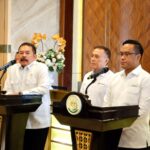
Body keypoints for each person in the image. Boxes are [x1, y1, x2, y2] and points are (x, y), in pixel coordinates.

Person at [103, 39, 150, 150]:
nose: (122, 57)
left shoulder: (146, 79)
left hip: (135, 141)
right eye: (121, 54)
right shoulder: (114, 78)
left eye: (127, 54)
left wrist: (116, 125)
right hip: (112, 139)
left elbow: (142, 111)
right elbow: (106, 105)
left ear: (138, 57)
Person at [4, 42, 51, 150]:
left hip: (37, 120)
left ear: (34, 56)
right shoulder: (12, 69)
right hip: (17, 121)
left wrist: (22, 93)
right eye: (21, 53)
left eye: (27, 53)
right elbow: (7, 90)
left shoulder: (41, 68)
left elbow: (43, 88)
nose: (23, 55)